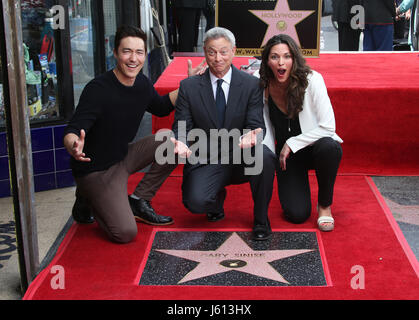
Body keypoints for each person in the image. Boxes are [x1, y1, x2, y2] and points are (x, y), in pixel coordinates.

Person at [63, 26, 201, 243]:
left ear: (145, 55)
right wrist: (74, 146)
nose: (133, 58)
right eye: (126, 51)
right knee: (126, 233)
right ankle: (88, 197)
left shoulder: (142, 84)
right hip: (96, 170)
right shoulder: (98, 89)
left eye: (139, 52)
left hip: (122, 157)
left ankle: (139, 200)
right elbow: (73, 130)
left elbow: (162, 107)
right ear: (116, 53)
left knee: (172, 141)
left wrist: (189, 85)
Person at [172, 27, 277, 241]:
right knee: (195, 203)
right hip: (207, 156)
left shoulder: (251, 85)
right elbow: (182, 125)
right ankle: (216, 198)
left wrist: (252, 137)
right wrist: (180, 141)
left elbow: (256, 124)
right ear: (204, 52)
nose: (218, 58)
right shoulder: (189, 87)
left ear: (234, 51)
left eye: (223, 51)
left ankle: (261, 220)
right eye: (212, 52)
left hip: (241, 153)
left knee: (264, 157)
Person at [258, 34, 343, 231]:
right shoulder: (261, 84)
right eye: (274, 57)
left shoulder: (312, 80)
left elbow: (329, 127)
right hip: (288, 158)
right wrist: (270, 157)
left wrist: (291, 143)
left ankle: (324, 205)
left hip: (315, 148)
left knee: (330, 147)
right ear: (266, 60)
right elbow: (264, 129)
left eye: (287, 56)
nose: (281, 62)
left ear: (294, 59)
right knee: (296, 215)